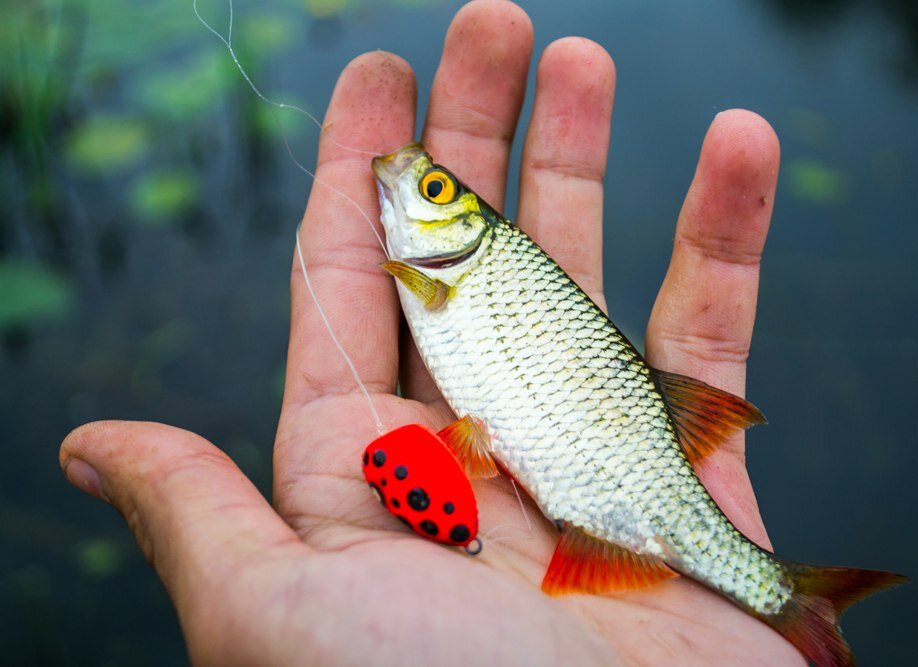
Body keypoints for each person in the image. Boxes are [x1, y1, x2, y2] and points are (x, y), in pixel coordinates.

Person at [60, 1, 795, 664]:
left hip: (612, 470)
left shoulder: (439, 270)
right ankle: (781, 599)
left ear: (462, 227)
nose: (411, 180)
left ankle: (781, 596)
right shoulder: (430, 268)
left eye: (435, 189)